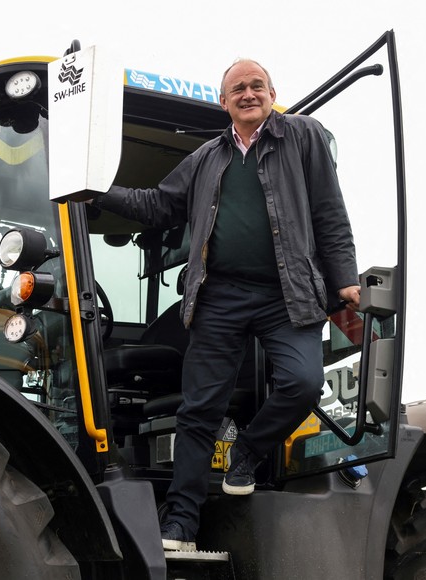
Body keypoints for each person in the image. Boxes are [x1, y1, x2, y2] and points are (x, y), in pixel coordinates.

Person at [90, 58, 361, 551]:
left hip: (287, 293)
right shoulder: (207, 158)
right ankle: (181, 525)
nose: (248, 93)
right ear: (225, 102)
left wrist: (343, 280)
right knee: (199, 412)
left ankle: (249, 452)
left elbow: (329, 212)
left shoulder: (303, 137)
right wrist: (99, 192)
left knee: (303, 381)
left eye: (257, 85)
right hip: (219, 296)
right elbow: (158, 204)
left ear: (273, 92)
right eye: (237, 88)